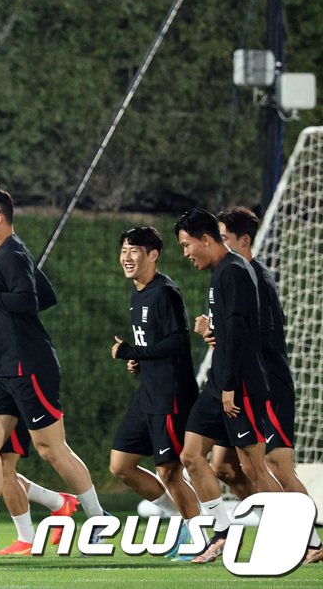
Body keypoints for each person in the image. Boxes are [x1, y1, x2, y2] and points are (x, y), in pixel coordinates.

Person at [0, 189, 107, 553]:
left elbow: (30, 302)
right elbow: (44, 294)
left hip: (29, 367)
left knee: (52, 450)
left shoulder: (11, 253)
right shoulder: (10, 254)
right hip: (1, 370)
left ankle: (99, 518)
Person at [174, 207, 282, 564]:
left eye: (188, 245)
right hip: (218, 382)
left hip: (240, 386)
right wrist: (211, 332)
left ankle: (303, 537)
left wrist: (231, 385)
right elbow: (229, 331)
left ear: (206, 239)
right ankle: (221, 534)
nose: (186, 253)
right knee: (191, 455)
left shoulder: (234, 271)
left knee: (254, 468)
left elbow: (239, 332)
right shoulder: (222, 273)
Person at [216, 208, 320, 561]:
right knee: (231, 466)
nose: (220, 245)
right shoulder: (239, 274)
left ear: (243, 240)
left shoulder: (253, 276)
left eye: (225, 238)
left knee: (277, 466)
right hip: (251, 380)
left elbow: (257, 333)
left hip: (268, 382)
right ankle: (287, 533)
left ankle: (311, 543)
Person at [107, 226, 201, 556]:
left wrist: (134, 353)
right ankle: (181, 517)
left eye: (134, 251)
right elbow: (154, 345)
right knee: (120, 465)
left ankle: (196, 534)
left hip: (171, 395)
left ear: (153, 255)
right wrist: (140, 361)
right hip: (148, 392)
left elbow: (178, 341)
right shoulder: (138, 293)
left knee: (170, 470)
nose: (127, 257)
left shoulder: (165, 293)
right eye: (124, 251)